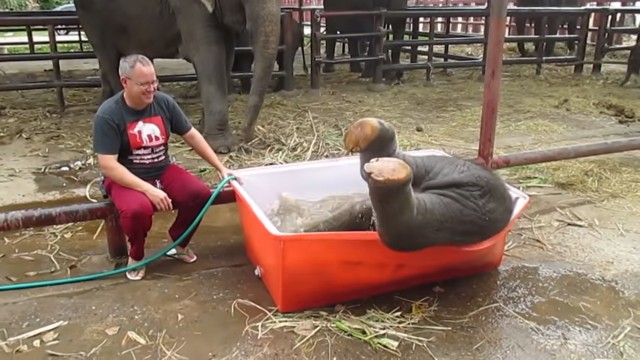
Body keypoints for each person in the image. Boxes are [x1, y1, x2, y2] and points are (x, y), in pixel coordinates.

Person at [92, 54, 237, 281]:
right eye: (144, 84)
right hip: (125, 177)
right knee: (138, 210)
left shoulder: (164, 102)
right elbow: (108, 164)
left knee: (199, 194)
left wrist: (220, 166)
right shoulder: (109, 114)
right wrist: (148, 190)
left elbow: (191, 135)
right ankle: (137, 255)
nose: (152, 89)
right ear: (124, 82)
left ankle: (179, 242)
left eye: (154, 82)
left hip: (160, 168)